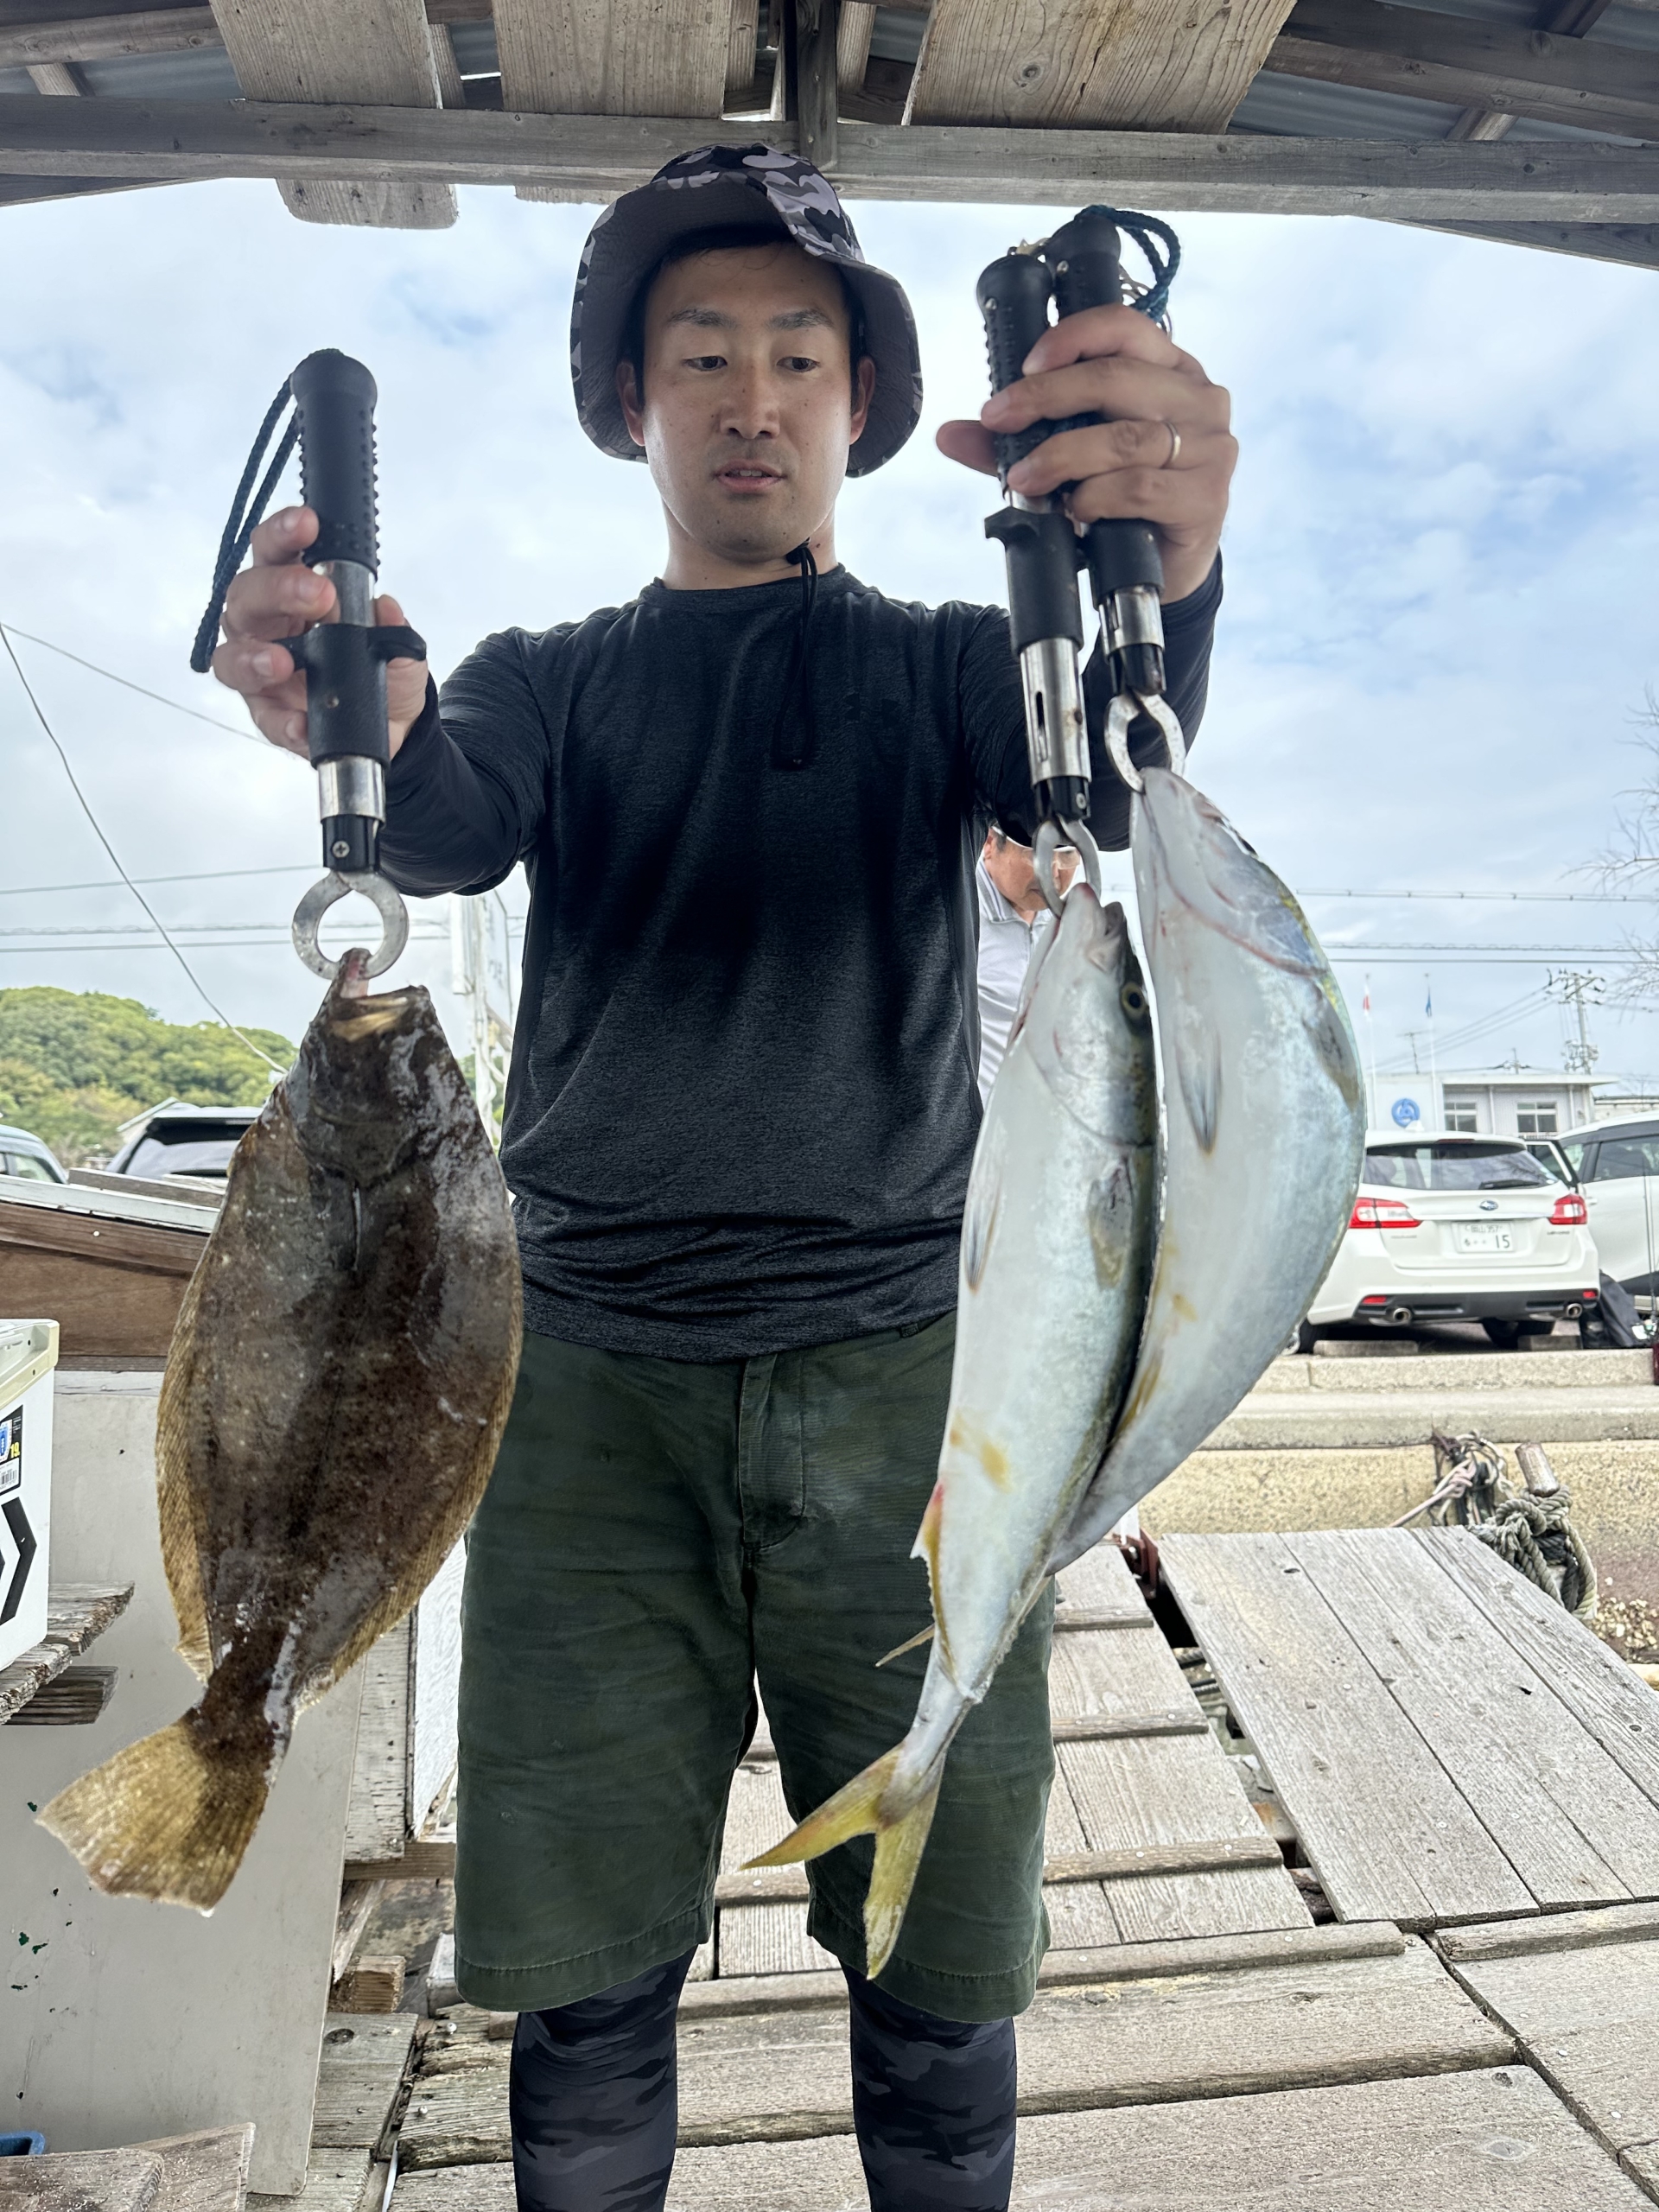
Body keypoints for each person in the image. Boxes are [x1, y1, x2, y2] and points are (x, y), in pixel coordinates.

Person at [213, 144, 1235, 2212]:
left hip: (911, 1382)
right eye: (700, 356)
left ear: (860, 404)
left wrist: (1172, 561)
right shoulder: (549, 677)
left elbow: (1110, 755)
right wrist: (354, 713)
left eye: (797, 355)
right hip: (584, 1392)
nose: (751, 399)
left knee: (940, 1955)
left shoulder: (945, 665)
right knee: (581, 1976)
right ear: (631, 402)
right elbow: (439, 817)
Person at [975, 824, 1079, 1103]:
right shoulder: (954, 918)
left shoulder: (1072, 924)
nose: (1053, 873)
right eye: (1036, 854)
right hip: (975, 1122)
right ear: (989, 843)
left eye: (1067, 855)